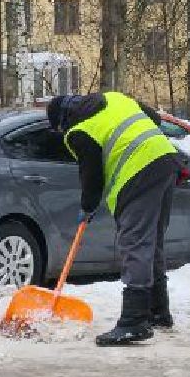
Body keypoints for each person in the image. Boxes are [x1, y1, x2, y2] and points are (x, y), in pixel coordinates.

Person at [45, 91, 182, 345]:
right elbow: (153, 117)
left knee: (135, 242)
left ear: (63, 121)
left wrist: (88, 206)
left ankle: (134, 321)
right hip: (165, 159)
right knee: (152, 241)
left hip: (139, 171)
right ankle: (158, 311)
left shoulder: (79, 131)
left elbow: (92, 174)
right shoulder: (114, 98)